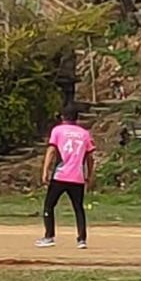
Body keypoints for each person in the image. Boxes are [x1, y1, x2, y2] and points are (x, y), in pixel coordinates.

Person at [35, 104, 96, 249]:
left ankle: (49, 236)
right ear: (77, 118)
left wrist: (45, 171)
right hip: (77, 176)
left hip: (61, 175)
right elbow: (90, 157)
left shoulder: (58, 131)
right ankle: (82, 240)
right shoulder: (84, 133)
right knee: (78, 208)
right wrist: (90, 175)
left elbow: (51, 151)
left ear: (62, 117)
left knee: (49, 205)